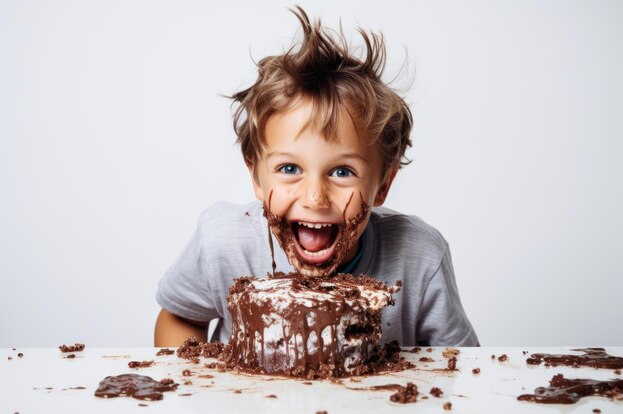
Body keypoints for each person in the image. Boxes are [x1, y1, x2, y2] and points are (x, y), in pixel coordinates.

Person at [154, 6, 478, 347]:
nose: (315, 198)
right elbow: (179, 316)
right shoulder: (224, 243)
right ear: (256, 175)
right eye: (289, 169)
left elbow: (460, 363)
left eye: (342, 172)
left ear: (383, 185)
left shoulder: (419, 257)